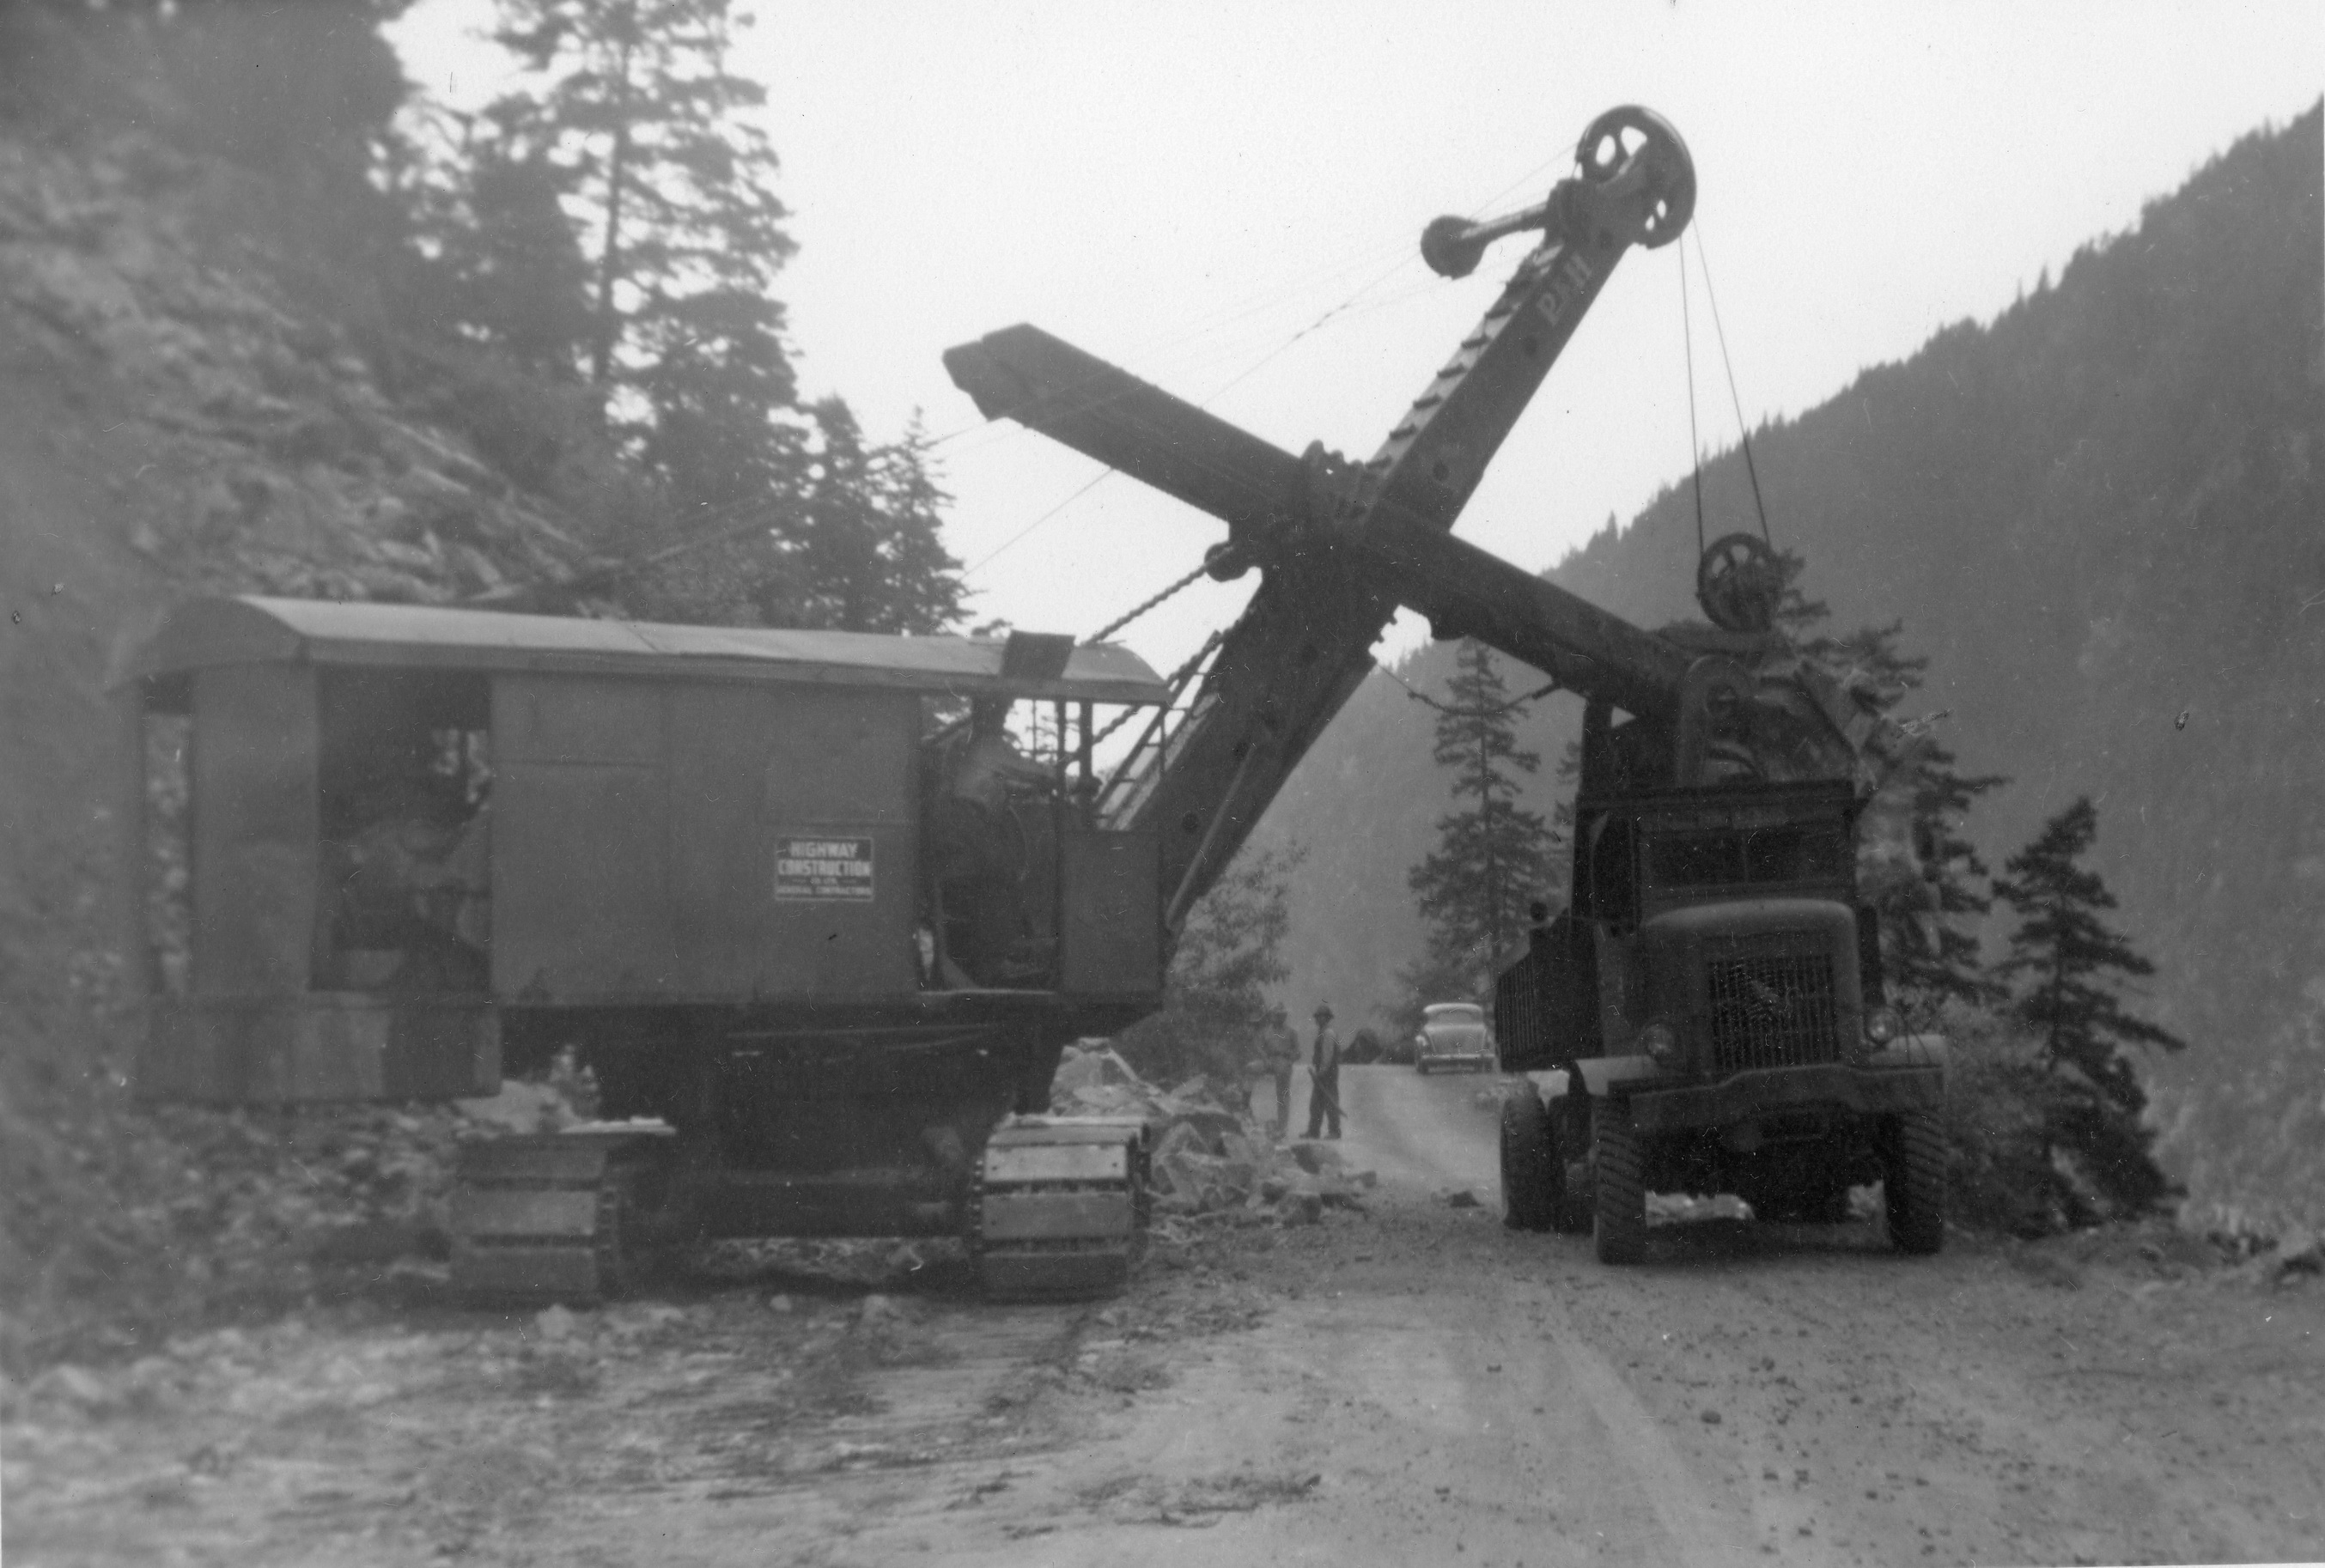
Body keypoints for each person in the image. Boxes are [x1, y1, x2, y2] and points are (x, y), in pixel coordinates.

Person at [1303, 1002, 1343, 1140]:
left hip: (1328, 1074)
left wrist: (1321, 1072)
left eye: (1322, 1017)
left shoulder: (1328, 1033)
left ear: (1327, 1018)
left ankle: (1335, 1131)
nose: (1319, 1019)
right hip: (1322, 1073)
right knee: (1316, 1104)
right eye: (1318, 1017)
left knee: (1330, 1103)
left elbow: (1327, 1055)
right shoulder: (1322, 1032)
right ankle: (1313, 1131)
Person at [1259, 1007, 1301, 1140]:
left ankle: (1282, 1126)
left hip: (1283, 1061)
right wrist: (1265, 1059)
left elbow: (1298, 1051)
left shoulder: (1291, 1032)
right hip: (1269, 1061)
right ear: (1273, 1016)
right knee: (1250, 1070)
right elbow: (1259, 1048)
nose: (1279, 1018)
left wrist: (1290, 1059)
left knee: (1283, 1094)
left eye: (1282, 1015)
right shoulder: (1266, 1032)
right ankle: (1247, 1109)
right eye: (1277, 1015)